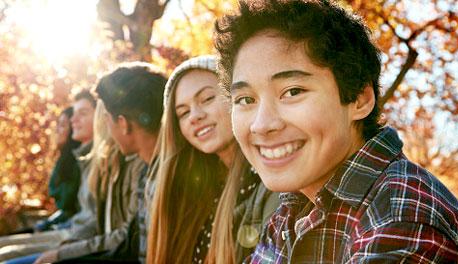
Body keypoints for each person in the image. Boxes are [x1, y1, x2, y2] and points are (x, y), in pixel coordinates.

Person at [214, 0, 458, 262]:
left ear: (359, 100)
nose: (262, 124)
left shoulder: (400, 217)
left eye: (292, 92)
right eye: (246, 100)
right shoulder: (295, 208)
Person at [146, 55, 278, 264]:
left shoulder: (272, 179)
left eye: (207, 99)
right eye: (183, 112)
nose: (194, 116)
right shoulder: (196, 190)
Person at [27, 100, 145, 264]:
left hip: (84, 239)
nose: (73, 120)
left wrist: (65, 250)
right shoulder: (102, 161)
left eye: (83, 113)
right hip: (78, 237)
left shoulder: (132, 164)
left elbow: (73, 205)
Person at [0, 91, 96, 261]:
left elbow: (74, 208)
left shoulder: (92, 160)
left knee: (6, 256)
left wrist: (51, 227)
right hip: (69, 231)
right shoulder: (78, 159)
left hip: (74, 236)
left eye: (63, 125)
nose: (73, 122)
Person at [96, 62, 167, 264]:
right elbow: (129, 247)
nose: (108, 130)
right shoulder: (146, 170)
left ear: (123, 123)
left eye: (108, 119)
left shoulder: (168, 177)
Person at [36, 107, 81, 231]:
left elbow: (68, 204)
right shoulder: (63, 159)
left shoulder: (77, 162)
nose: (57, 130)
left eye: (63, 125)